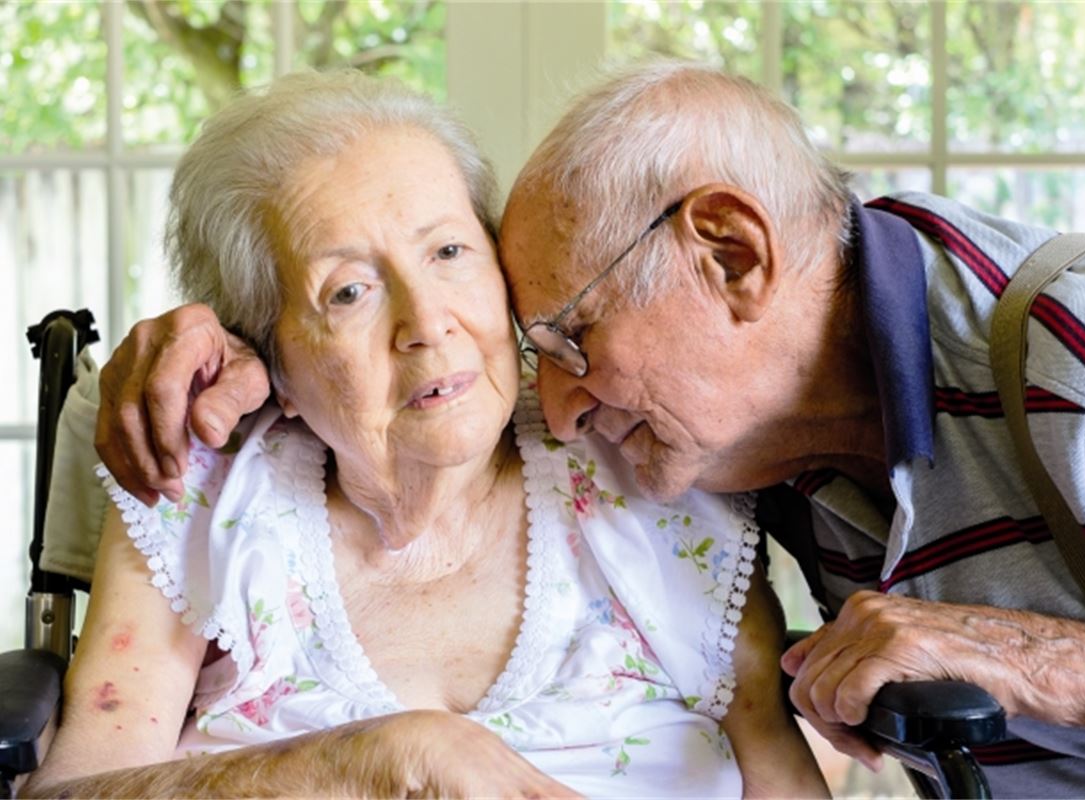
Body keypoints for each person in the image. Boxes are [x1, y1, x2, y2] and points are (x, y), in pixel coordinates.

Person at [90, 61, 1085, 797]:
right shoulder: (717, 432)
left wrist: (1046, 660)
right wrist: (204, 339)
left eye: (569, 336)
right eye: (345, 294)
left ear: (731, 256)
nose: (559, 410)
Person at [24, 69, 830, 799]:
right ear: (269, 358)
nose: (426, 323)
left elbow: (785, 783)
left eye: (448, 251)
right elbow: (70, 792)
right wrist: (364, 761)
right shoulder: (206, 498)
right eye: (348, 292)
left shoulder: (645, 468)